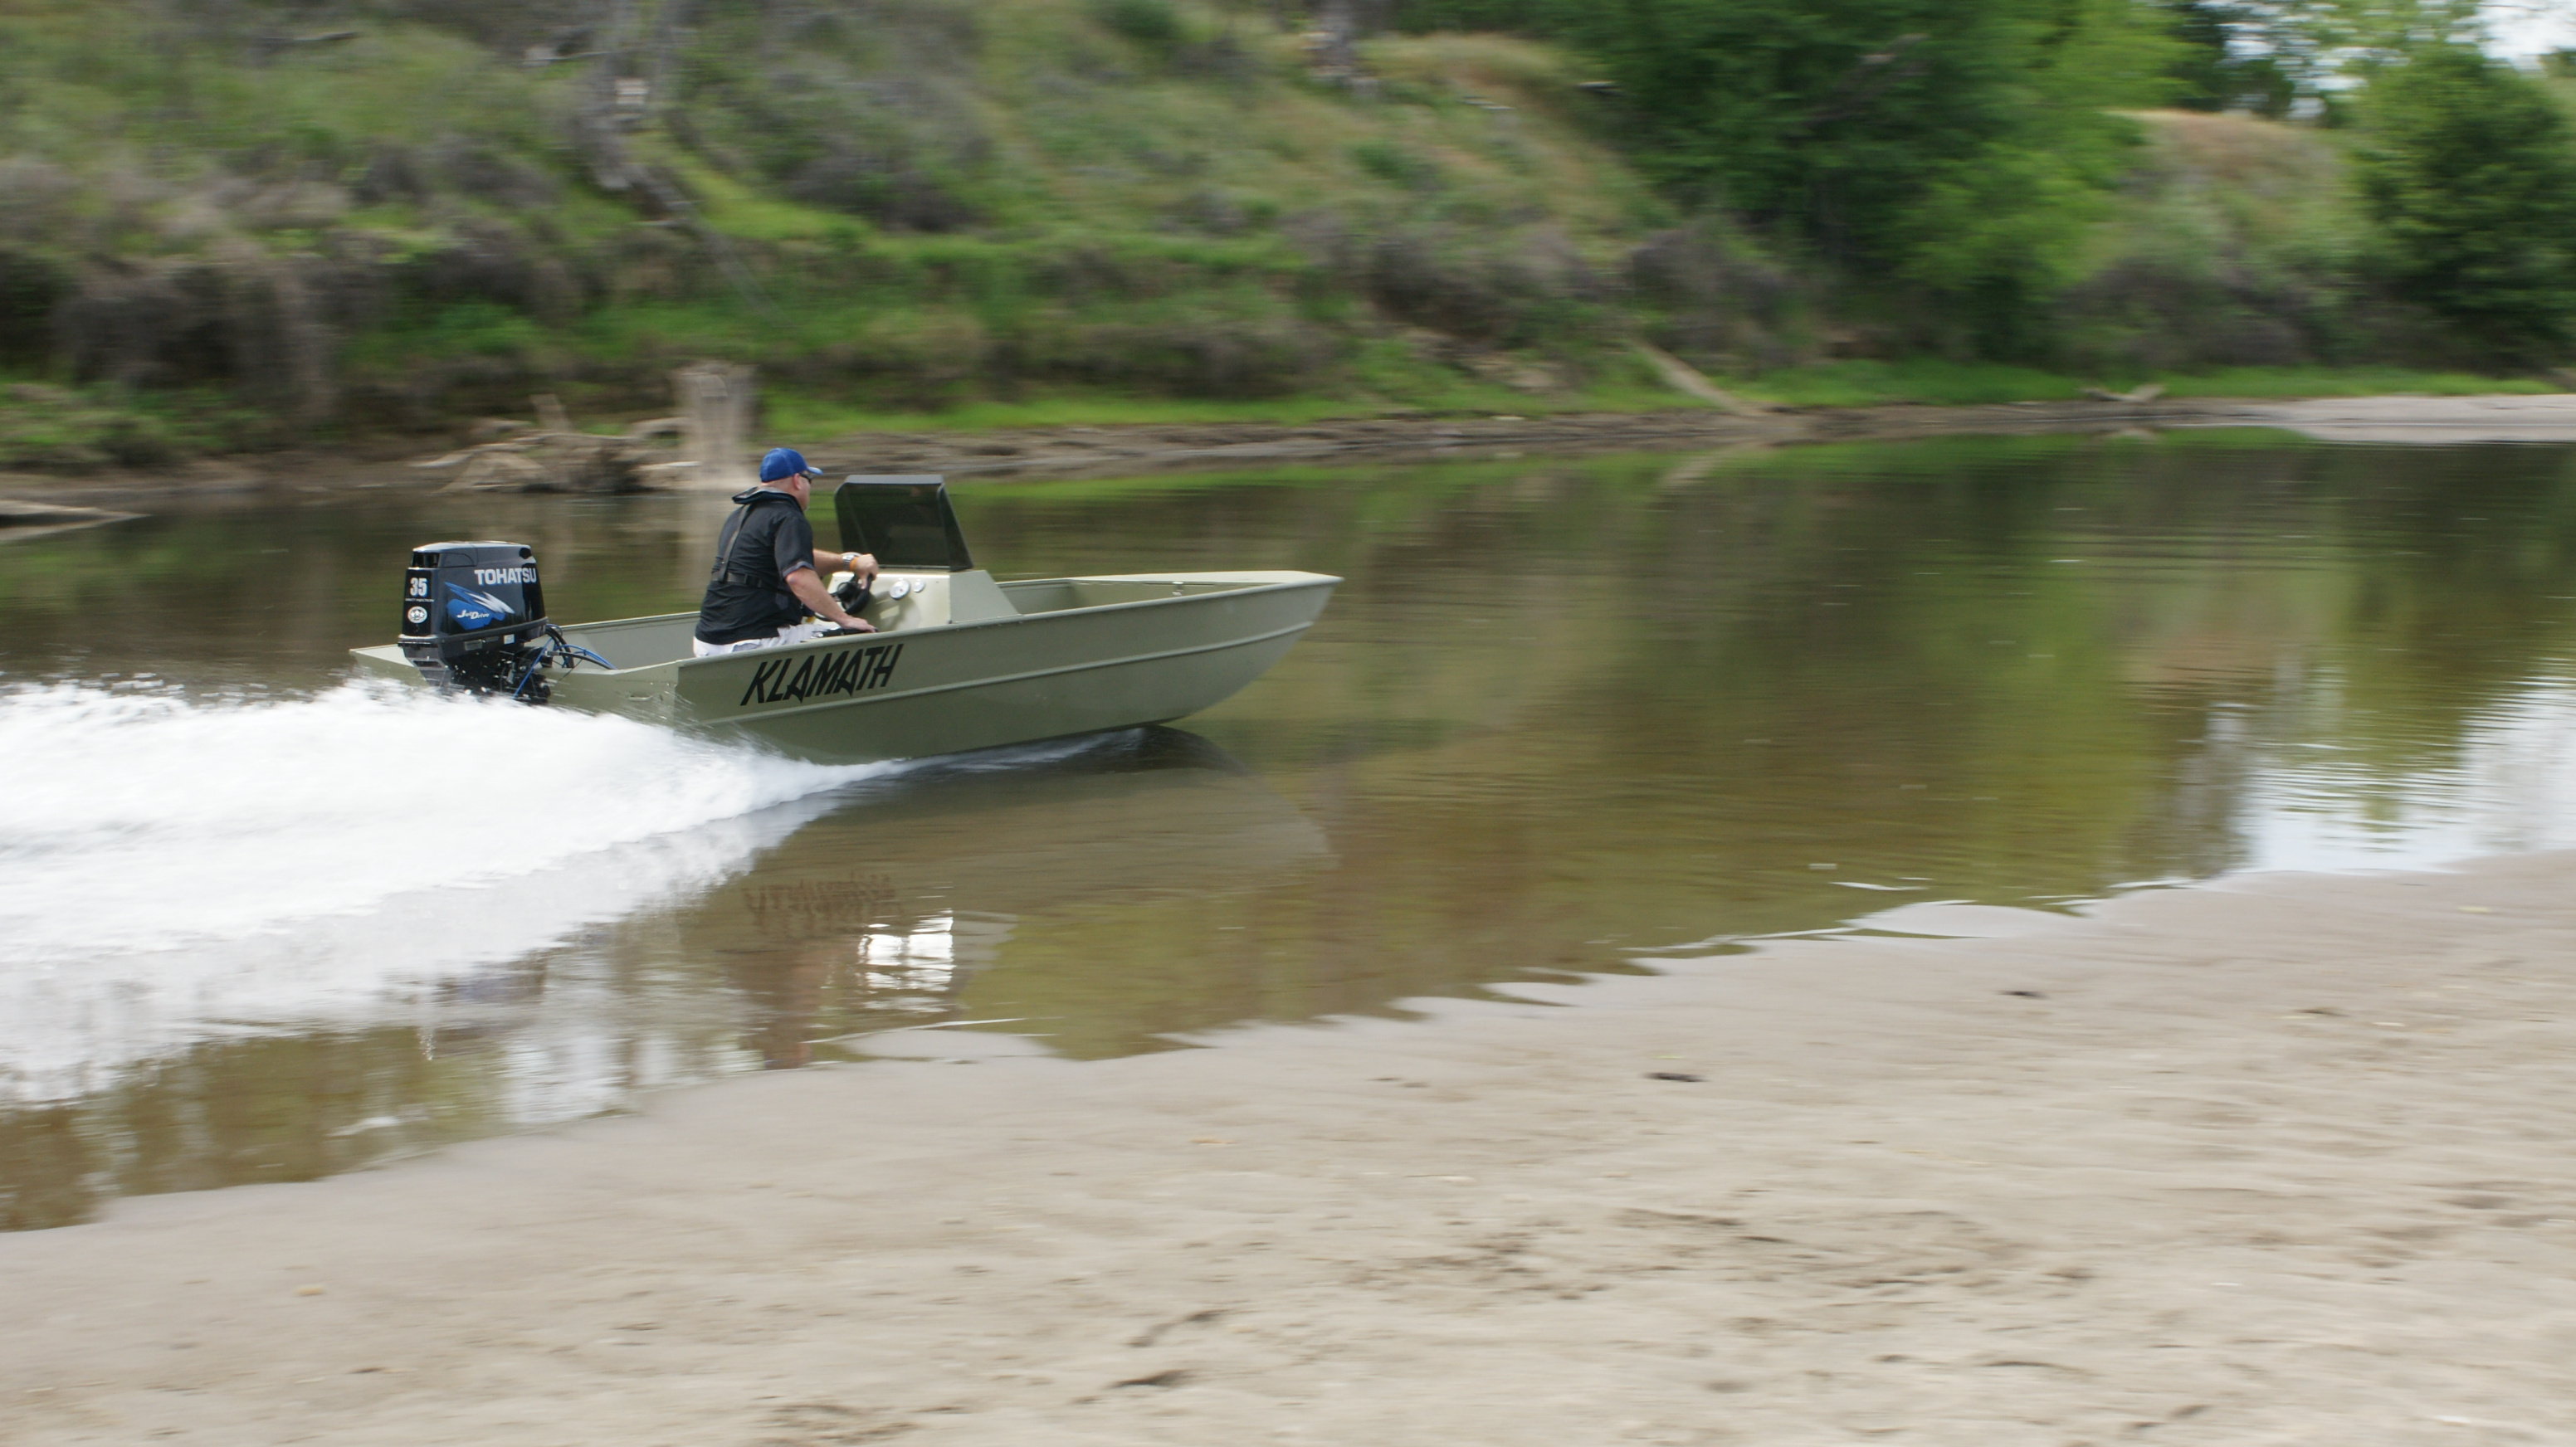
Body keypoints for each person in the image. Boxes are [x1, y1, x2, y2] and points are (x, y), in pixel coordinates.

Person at [693, 448, 881, 657]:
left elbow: (797, 559)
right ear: (798, 480)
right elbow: (798, 577)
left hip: (707, 643)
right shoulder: (789, 517)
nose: (810, 488)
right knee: (861, 636)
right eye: (811, 480)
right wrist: (845, 619)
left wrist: (850, 563)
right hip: (757, 641)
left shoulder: (740, 516)